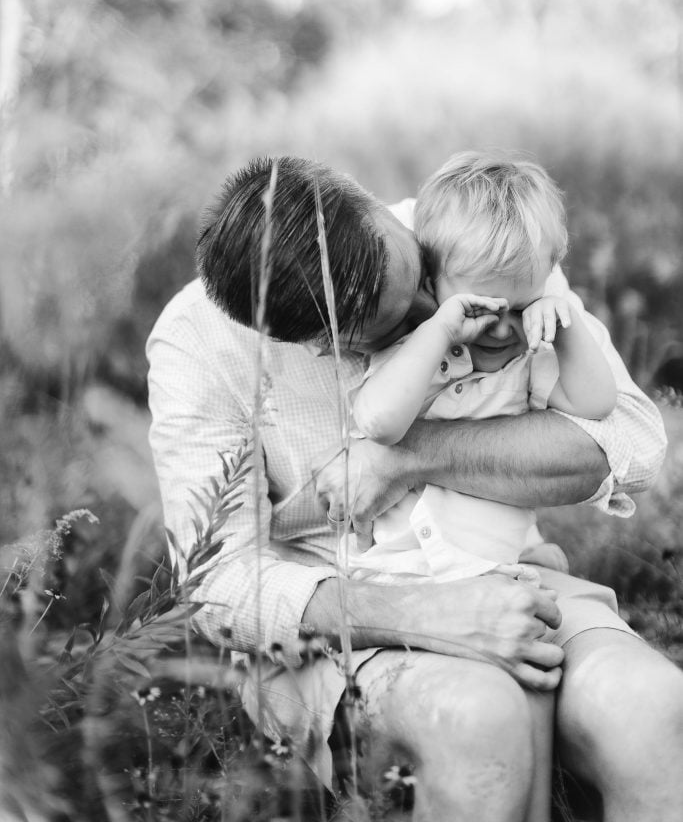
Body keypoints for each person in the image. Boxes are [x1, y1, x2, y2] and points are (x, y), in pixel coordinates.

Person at [147, 155, 681, 822]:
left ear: (377, 208)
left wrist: (406, 458)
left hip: (504, 574)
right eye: (404, 324)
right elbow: (217, 584)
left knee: (652, 705)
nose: (452, 320)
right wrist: (427, 614)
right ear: (321, 344)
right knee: (475, 715)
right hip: (341, 617)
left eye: (423, 280)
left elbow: (631, 443)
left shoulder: (472, 236)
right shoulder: (200, 345)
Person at [347, 152, 617, 588]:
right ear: (432, 283)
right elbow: (379, 424)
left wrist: (565, 323)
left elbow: (597, 403)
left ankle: (539, 557)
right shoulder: (414, 352)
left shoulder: (529, 359)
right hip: (396, 573)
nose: (502, 328)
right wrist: (440, 330)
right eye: (480, 307)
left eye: (521, 306)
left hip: (500, 571)